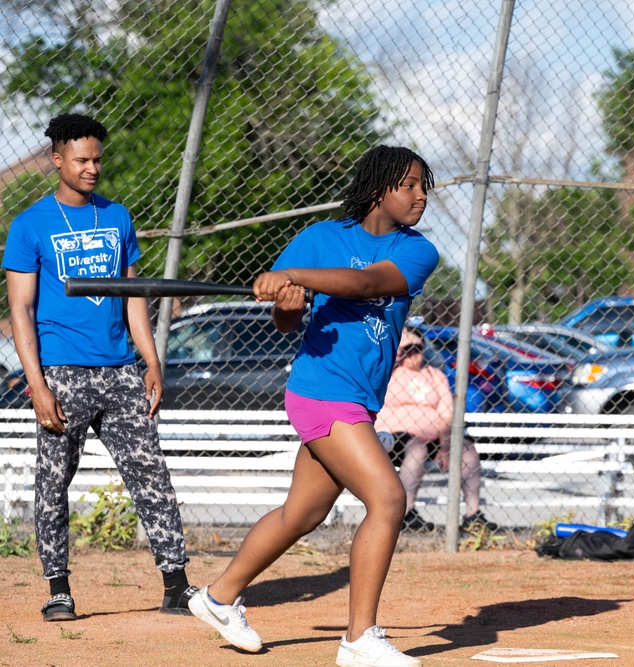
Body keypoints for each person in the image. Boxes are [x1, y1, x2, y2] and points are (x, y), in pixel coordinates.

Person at [187, 145, 439, 667]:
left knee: (303, 513)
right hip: (321, 391)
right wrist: (286, 301)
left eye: (423, 186)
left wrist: (299, 278)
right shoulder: (319, 239)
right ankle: (359, 639)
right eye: (410, 185)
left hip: (359, 399)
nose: (421, 196)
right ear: (378, 189)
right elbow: (286, 322)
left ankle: (217, 597)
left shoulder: (417, 251)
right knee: (388, 499)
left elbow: (369, 283)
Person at [2, 113, 197, 621]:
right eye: (82, 159)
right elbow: (20, 310)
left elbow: (134, 297)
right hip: (63, 371)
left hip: (120, 370)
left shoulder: (117, 217)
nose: (92, 168)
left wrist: (151, 360)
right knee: (53, 481)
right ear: (58, 159)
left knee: (151, 473)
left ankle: (176, 584)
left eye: (97, 159)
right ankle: (59, 589)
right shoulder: (29, 225)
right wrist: (37, 383)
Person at [374, 326, 498, 534]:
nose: (414, 353)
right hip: (391, 437)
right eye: (408, 348)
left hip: (431, 437)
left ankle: (472, 514)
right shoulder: (386, 372)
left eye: (418, 348)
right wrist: (398, 351)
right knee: (417, 448)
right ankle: (406, 513)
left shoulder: (434, 375)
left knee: (467, 449)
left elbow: (446, 414)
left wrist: (446, 445)